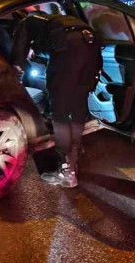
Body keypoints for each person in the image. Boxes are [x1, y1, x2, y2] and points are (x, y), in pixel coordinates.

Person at [10, 13, 102, 188]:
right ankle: (73, 162)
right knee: (77, 108)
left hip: (68, 52)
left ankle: (65, 170)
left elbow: (18, 55)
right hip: (91, 48)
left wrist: (16, 74)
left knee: (59, 111)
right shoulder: (57, 19)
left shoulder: (26, 23)